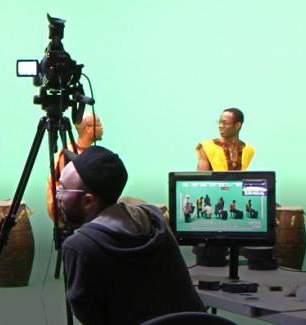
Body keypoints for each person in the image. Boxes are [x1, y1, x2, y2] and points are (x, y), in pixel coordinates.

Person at [58, 146, 204, 324]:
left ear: (88, 201)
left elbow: (90, 317)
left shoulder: (80, 246)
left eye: (62, 189)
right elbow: (132, 203)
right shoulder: (154, 219)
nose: (58, 196)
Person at [46, 111, 103, 222]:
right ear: (88, 129)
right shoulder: (69, 153)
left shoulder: (87, 152)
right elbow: (67, 189)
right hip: (67, 212)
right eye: (99, 124)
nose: (102, 127)